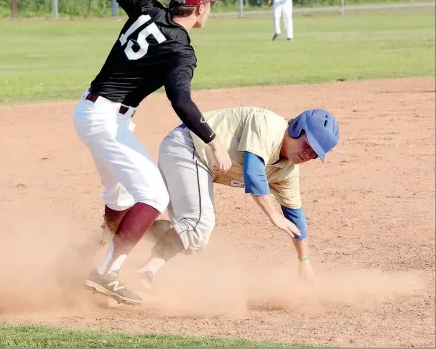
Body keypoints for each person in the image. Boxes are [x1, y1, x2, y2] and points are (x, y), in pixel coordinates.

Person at [52, 0, 232, 305]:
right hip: (106, 119)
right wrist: (213, 140)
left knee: (120, 198)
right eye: (210, 5)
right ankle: (107, 273)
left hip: (92, 110)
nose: (210, 11)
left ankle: (87, 255)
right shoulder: (181, 50)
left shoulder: (148, 8)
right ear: (200, 8)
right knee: (153, 195)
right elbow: (181, 102)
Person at [134, 107, 340, 290]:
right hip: (188, 147)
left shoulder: (287, 171)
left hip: (197, 160)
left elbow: (295, 216)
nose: (307, 154)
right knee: (198, 227)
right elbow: (254, 171)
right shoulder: (268, 125)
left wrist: (304, 261)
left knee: (194, 240)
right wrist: (273, 215)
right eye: (308, 144)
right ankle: (145, 271)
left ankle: (122, 232)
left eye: (314, 153)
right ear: (297, 128)